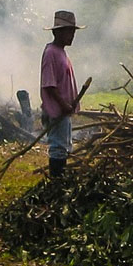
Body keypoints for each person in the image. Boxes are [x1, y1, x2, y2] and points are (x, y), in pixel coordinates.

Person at [40, 10, 83, 177]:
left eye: (73, 32)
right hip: (57, 109)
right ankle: (56, 182)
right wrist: (63, 104)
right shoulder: (51, 52)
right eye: (68, 31)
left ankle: (61, 180)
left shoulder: (61, 52)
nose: (71, 35)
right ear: (56, 32)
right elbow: (49, 84)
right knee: (58, 147)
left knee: (65, 146)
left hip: (64, 109)